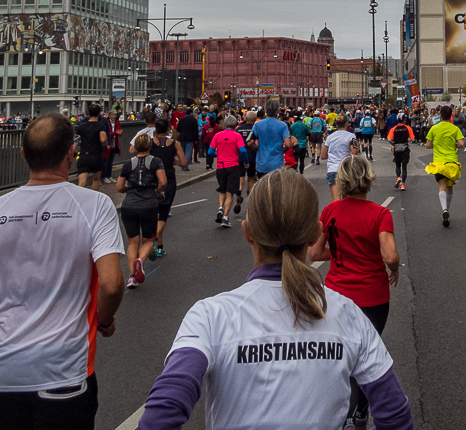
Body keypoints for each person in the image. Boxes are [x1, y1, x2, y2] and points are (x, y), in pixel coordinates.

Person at [137, 170, 413, 430]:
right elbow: (394, 413)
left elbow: (164, 409)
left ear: (247, 233)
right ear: (315, 233)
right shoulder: (348, 314)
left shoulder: (210, 316)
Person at [0, 114, 125, 430]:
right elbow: (110, 284)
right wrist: (104, 321)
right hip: (63, 373)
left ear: (23, 153)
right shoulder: (95, 206)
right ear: (71, 153)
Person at [308, 156, 400, 430]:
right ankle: (359, 411)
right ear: (368, 178)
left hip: (337, 292)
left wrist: (339, 254)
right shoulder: (380, 214)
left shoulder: (331, 211)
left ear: (342, 181)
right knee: (366, 353)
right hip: (372, 295)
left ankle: (342, 410)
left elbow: (313, 252)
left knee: (341, 352)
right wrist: (394, 268)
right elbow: (390, 254)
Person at [117, 132, 168, 288]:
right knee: (150, 239)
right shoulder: (156, 162)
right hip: (148, 205)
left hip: (129, 205)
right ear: (149, 146)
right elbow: (163, 182)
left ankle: (132, 276)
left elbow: (119, 187)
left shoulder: (128, 163)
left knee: (133, 242)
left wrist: (130, 188)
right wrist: (158, 190)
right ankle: (140, 260)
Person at [148, 119, 187, 259]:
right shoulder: (174, 144)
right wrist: (173, 161)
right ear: (169, 128)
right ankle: (153, 242)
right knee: (163, 214)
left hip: (152, 179)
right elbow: (183, 163)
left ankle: (160, 247)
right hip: (168, 180)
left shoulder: (150, 143)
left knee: (154, 213)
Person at [425, 104, 465, 228]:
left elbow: (427, 145)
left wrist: (436, 145)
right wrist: (454, 144)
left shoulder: (434, 129)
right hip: (452, 163)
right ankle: (447, 208)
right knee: (450, 187)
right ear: (451, 116)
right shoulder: (455, 129)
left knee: (441, 185)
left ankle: (444, 209)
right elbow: (462, 144)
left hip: (439, 163)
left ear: (440, 115)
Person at [208, 116, 248, 228]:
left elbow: (210, 151)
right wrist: (246, 161)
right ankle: (225, 217)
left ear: (225, 124)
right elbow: (243, 150)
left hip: (221, 165)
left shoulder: (217, 135)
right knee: (230, 192)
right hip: (233, 165)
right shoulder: (237, 136)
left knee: (222, 189)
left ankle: (220, 207)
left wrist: (218, 155)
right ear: (235, 125)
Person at [323, 115, 360, 202]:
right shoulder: (352, 136)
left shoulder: (330, 137)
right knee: (346, 200)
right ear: (347, 123)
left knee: (335, 201)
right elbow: (354, 152)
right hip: (346, 169)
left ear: (336, 124)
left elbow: (323, 155)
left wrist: (333, 155)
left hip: (332, 169)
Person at [75, 103, 108, 191]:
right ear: (99, 113)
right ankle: (93, 201)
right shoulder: (101, 126)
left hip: (83, 155)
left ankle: (79, 200)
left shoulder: (81, 127)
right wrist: (105, 144)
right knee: (96, 180)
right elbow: (103, 140)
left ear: (88, 113)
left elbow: (77, 140)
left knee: (81, 182)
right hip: (95, 155)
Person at [252, 107, 291, 179]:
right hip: (277, 164)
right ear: (277, 112)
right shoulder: (283, 125)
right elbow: (288, 144)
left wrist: (256, 149)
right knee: (276, 188)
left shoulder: (257, 125)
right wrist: (283, 150)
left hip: (262, 163)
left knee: (262, 187)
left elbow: (250, 142)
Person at [389, 116, 413, 190]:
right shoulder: (407, 128)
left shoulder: (394, 129)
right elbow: (413, 138)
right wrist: (408, 141)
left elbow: (389, 139)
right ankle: (403, 184)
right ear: (404, 120)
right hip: (405, 148)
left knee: (397, 165)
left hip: (396, 148)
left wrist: (393, 143)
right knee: (404, 167)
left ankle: (398, 177)